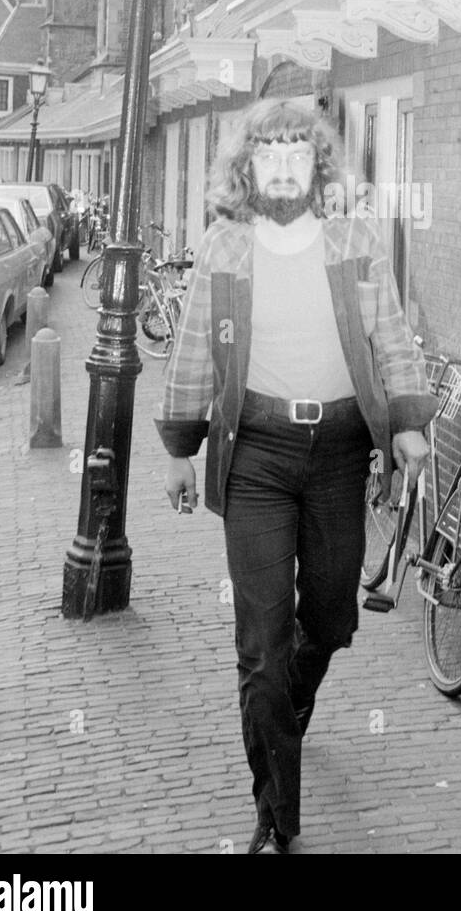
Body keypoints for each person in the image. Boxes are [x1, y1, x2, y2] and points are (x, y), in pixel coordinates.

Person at [155, 98, 437, 855]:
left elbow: (392, 335)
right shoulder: (224, 246)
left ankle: (287, 707)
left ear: (318, 165)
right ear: (247, 168)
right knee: (261, 644)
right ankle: (276, 812)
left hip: (340, 451)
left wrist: (407, 420)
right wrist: (180, 446)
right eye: (268, 152)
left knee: (331, 619)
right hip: (257, 454)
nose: (282, 165)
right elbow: (190, 350)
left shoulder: (353, 242)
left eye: (297, 152)